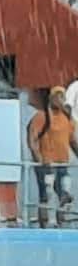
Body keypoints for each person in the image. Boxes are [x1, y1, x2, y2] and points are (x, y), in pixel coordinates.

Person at [27, 86, 78, 228]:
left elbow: (73, 141)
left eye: (63, 97)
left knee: (64, 195)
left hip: (62, 164)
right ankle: (44, 225)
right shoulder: (41, 116)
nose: (60, 100)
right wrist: (39, 159)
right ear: (51, 98)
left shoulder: (67, 119)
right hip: (47, 164)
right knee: (46, 195)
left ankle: (60, 224)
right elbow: (32, 139)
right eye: (58, 96)